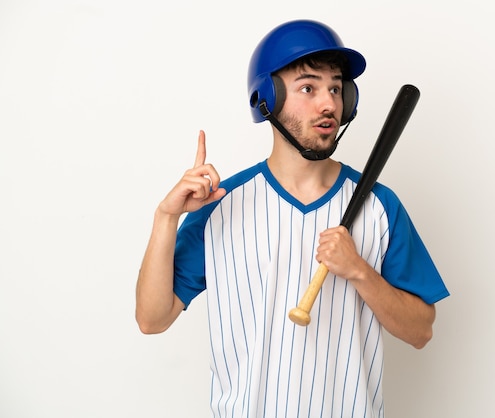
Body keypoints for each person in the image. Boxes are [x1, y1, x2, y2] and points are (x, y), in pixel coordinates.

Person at [136, 19, 449, 417]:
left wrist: (359, 271)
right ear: (267, 98)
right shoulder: (220, 205)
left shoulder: (379, 206)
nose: (329, 104)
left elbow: (421, 330)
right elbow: (152, 319)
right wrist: (166, 217)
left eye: (336, 88)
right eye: (308, 87)